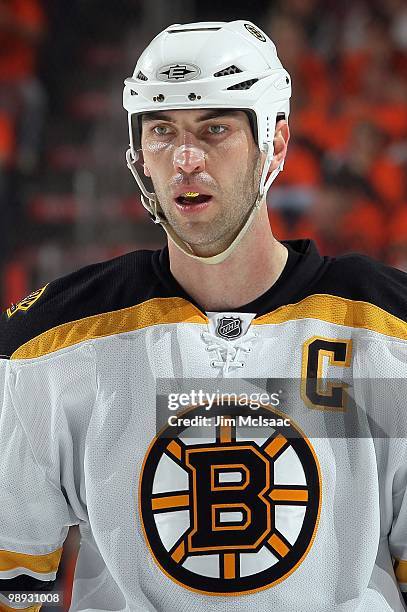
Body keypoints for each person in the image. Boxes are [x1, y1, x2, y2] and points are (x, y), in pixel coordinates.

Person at [0, 19, 407, 612]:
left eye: (214, 129)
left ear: (276, 143)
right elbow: (15, 580)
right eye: (162, 131)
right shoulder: (51, 348)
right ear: (139, 153)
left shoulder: (386, 333)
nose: (185, 158)